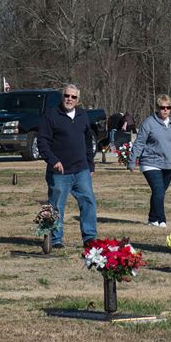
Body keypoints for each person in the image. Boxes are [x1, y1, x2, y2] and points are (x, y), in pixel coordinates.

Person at [38, 83, 98, 249]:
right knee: (56, 206)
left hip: (81, 170)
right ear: (62, 97)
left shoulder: (82, 116)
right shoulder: (51, 115)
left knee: (88, 202)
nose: (69, 99)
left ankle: (90, 237)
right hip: (59, 171)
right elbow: (42, 141)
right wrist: (53, 160)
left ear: (78, 100)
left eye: (73, 97)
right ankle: (56, 240)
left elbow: (88, 141)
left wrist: (90, 165)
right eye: (66, 96)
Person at [130, 94, 171, 227]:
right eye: (162, 107)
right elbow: (139, 142)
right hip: (150, 162)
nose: (165, 110)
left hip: (168, 164)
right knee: (158, 190)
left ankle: (152, 218)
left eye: (168, 107)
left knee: (159, 192)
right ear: (158, 108)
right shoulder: (149, 123)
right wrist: (133, 160)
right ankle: (162, 220)